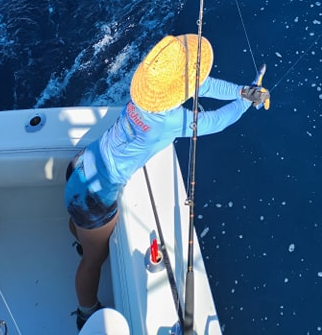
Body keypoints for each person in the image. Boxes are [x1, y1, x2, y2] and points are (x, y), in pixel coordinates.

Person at [65, 34, 268, 331]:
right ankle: (86, 310)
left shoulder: (143, 95)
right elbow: (215, 121)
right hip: (93, 197)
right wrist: (248, 102)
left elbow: (203, 86)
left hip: (79, 165)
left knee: (83, 227)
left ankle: (83, 240)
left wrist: (243, 91)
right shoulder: (170, 121)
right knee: (95, 260)